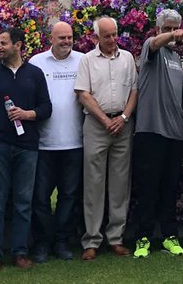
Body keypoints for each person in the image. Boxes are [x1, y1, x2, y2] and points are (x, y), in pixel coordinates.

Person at [0, 27, 51, 272]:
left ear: (18, 45)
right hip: (0, 146)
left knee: (23, 202)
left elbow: (46, 108)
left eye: (4, 43)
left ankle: (20, 252)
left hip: (28, 147)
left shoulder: (35, 74)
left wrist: (28, 114)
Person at [75, 16, 138, 260]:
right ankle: (91, 240)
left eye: (114, 34)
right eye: (107, 36)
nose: (112, 40)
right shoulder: (87, 60)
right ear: (96, 38)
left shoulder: (128, 58)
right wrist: (106, 120)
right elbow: (83, 94)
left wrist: (122, 118)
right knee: (93, 184)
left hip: (122, 125)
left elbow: (134, 91)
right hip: (96, 126)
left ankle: (116, 238)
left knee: (120, 184)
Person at [132, 10, 183, 259]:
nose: (172, 32)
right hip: (150, 130)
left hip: (175, 133)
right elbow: (155, 43)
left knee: (169, 187)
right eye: (167, 28)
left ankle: (169, 236)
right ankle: (143, 238)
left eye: (175, 28)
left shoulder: (180, 59)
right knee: (147, 187)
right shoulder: (150, 48)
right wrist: (171, 35)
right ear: (158, 29)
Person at [28, 20, 85, 262]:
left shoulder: (83, 60)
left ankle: (61, 241)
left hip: (75, 142)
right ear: (50, 38)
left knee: (69, 196)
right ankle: (42, 242)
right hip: (44, 143)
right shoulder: (37, 62)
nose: (66, 42)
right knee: (40, 197)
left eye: (70, 37)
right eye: (61, 38)